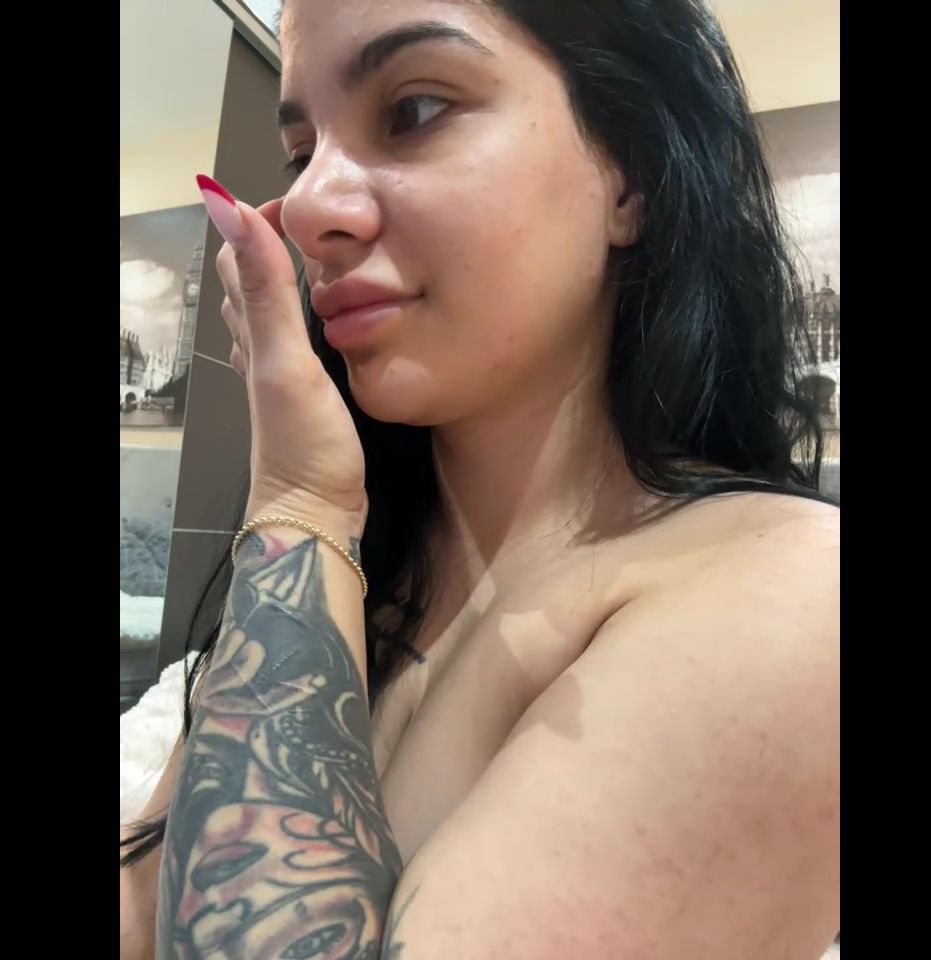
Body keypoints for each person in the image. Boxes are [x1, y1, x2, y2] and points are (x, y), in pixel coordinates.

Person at [120, 2, 840, 957]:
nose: (310, 207)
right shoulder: (359, 572)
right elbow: (145, 903)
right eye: (302, 153)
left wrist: (298, 503)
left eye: (413, 111)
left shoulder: (794, 597)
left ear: (630, 174)